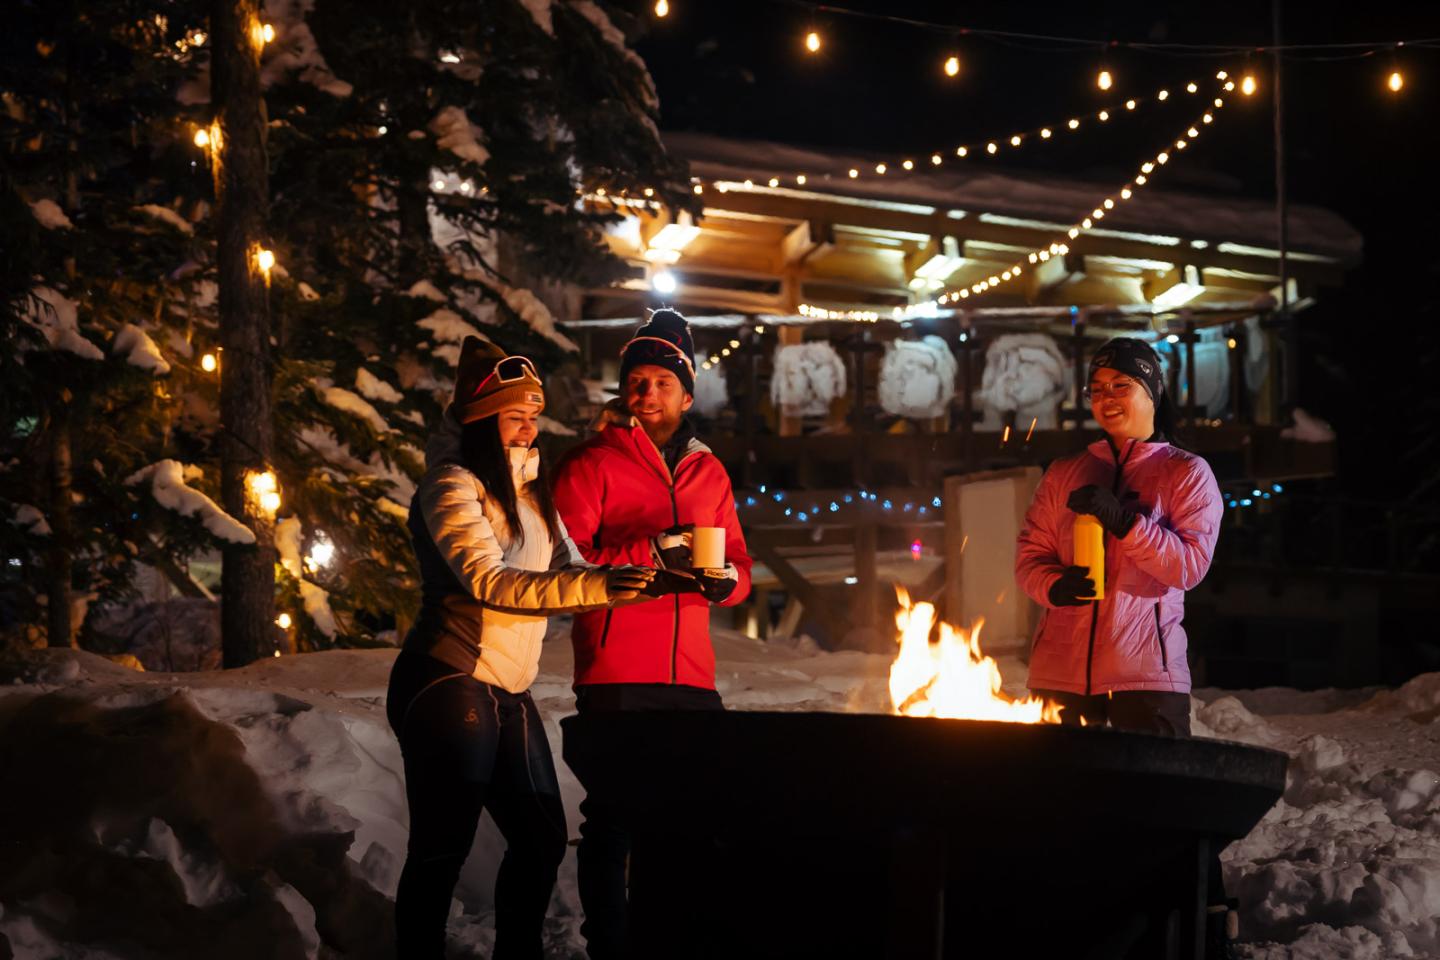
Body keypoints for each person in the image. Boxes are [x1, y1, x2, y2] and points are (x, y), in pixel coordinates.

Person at [386, 336, 661, 960]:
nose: (531, 427)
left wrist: (650, 579)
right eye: (517, 416)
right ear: (482, 418)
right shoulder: (451, 486)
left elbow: (571, 565)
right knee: (440, 845)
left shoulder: (533, 492)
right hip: (447, 678)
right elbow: (488, 580)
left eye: (534, 415)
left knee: (539, 840)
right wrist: (595, 583)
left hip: (507, 685)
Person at [1013, 336, 1233, 953]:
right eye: (1098, 387)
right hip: (1059, 672)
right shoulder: (1064, 471)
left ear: (1151, 392)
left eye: (1122, 386)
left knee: (1163, 815)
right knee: (1057, 811)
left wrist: (1127, 523)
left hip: (1146, 677)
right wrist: (1056, 587)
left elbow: (1188, 566)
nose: (1107, 398)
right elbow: (1028, 558)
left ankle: (1197, 933)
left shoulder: (1186, 473)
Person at [551, 308, 753, 960]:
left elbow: (741, 568)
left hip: (691, 675)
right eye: (637, 382)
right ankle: (610, 947)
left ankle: (676, 940)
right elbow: (564, 563)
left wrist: (727, 584)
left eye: (662, 384)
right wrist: (649, 550)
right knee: (614, 821)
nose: (647, 395)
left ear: (686, 394)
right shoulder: (590, 463)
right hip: (616, 669)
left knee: (696, 818)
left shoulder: (709, 473)